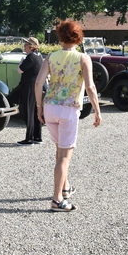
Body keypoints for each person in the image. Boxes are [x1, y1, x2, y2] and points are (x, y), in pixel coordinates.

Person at [34, 20, 102, 212]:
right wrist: (97, 110)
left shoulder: (51, 57)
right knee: (64, 156)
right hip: (69, 108)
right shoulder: (83, 58)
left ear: (60, 36)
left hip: (50, 106)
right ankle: (57, 200)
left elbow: (39, 83)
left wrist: (39, 106)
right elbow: (90, 86)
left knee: (59, 151)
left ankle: (64, 188)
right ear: (78, 37)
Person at [16, 37, 44, 146]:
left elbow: (20, 70)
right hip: (37, 86)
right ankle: (38, 136)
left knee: (28, 111)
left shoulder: (30, 57)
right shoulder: (39, 56)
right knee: (36, 111)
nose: (24, 46)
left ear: (31, 46)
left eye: (26, 44)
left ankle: (28, 139)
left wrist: (21, 62)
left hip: (28, 86)